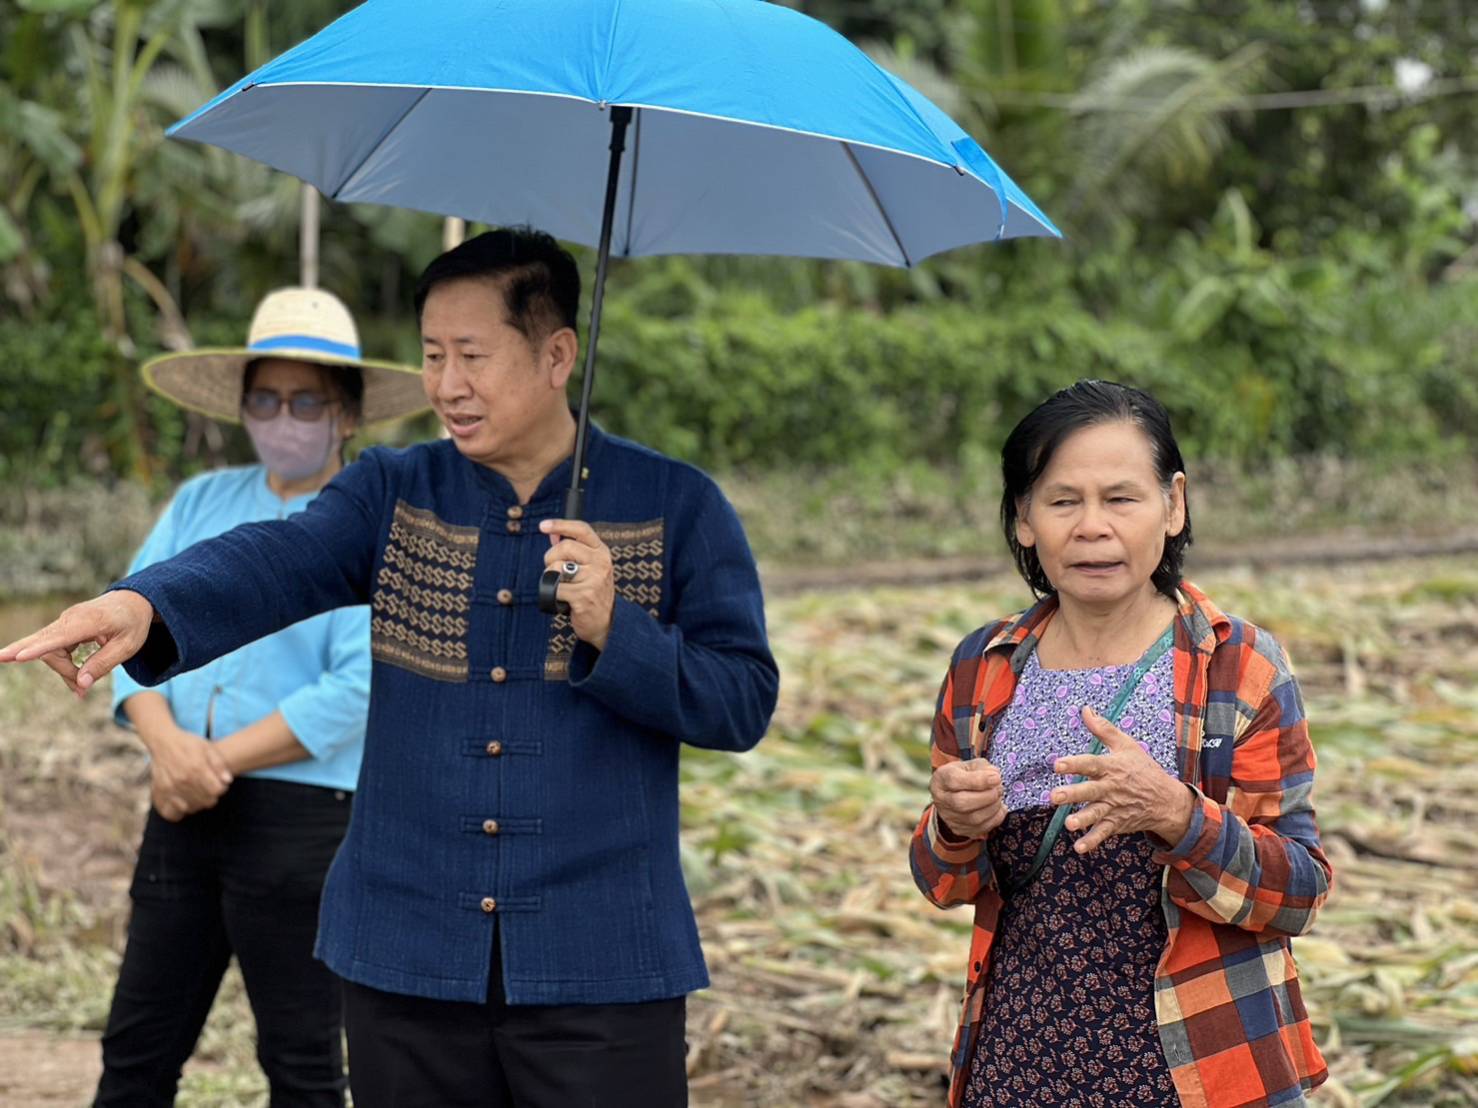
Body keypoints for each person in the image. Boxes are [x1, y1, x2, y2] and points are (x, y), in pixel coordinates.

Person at [3, 229, 779, 1108]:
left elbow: (742, 700)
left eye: (473, 355)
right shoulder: (393, 491)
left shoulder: (678, 505)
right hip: (406, 962)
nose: (447, 384)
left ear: (558, 354)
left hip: (601, 970)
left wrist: (616, 628)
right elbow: (279, 560)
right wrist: (142, 606)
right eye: (432, 354)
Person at [909, 380, 1333, 1108]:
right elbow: (943, 883)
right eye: (1063, 501)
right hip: (1021, 1066)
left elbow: (1299, 891)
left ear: (1174, 506)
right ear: (1023, 521)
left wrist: (1176, 814)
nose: (1092, 527)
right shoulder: (984, 666)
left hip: (1202, 1066)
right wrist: (953, 824)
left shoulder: (1240, 669)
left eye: (1122, 499)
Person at [94, 286, 427, 1106]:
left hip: (301, 822)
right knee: (137, 1047)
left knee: (303, 1062)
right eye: (267, 399)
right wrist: (170, 749)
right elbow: (129, 621)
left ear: (346, 414)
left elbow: (358, 684)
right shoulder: (201, 502)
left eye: (306, 400)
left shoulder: (374, 522)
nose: (285, 417)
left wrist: (214, 761)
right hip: (179, 804)